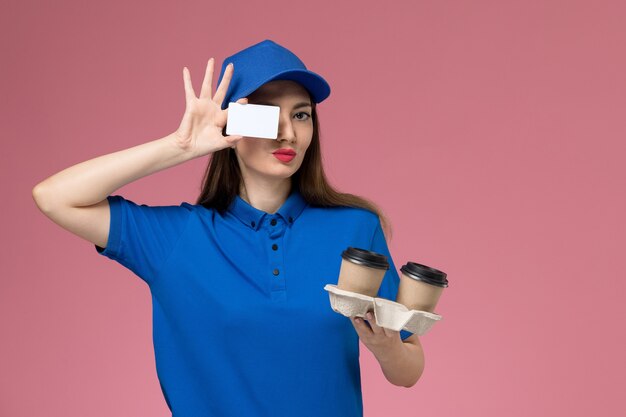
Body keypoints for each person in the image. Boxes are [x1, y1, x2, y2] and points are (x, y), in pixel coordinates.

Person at [32, 39, 424, 417]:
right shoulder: (178, 238)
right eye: (266, 114)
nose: (287, 132)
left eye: (301, 114)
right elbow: (54, 196)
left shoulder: (355, 227)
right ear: (231, 126)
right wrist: (178, 146)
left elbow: (408, 369)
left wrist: (386, 347)